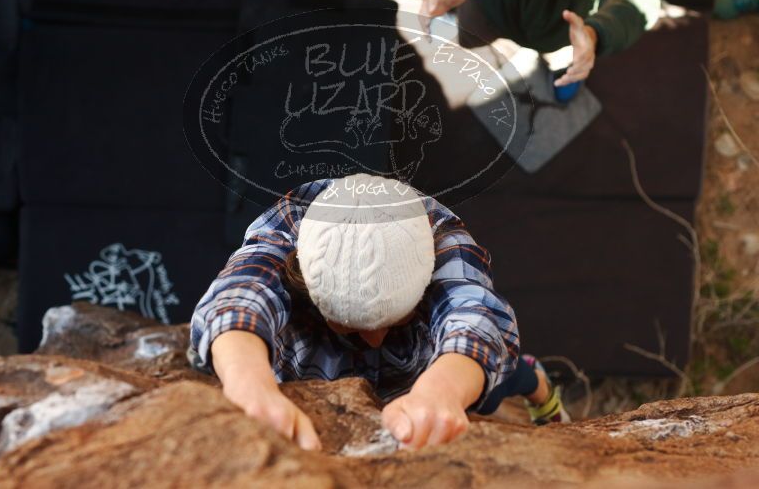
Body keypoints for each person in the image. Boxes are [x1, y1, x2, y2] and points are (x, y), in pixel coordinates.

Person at [189, 173, 569, 451]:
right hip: (314, 362)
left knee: (492, 379)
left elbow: (475, 315)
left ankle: (534, 381)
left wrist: (442, 393)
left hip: (420, 362)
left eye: (391, 321)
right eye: (353, 327)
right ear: (303, 276)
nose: (374, 339)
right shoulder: (288, 227)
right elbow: (239, 294)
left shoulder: (441, 237)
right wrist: (249, 385)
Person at [420, 0, 661, 87]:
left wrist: (596, 34)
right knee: (469, 40)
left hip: (560, 29)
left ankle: (563, 70)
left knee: (567, 60)